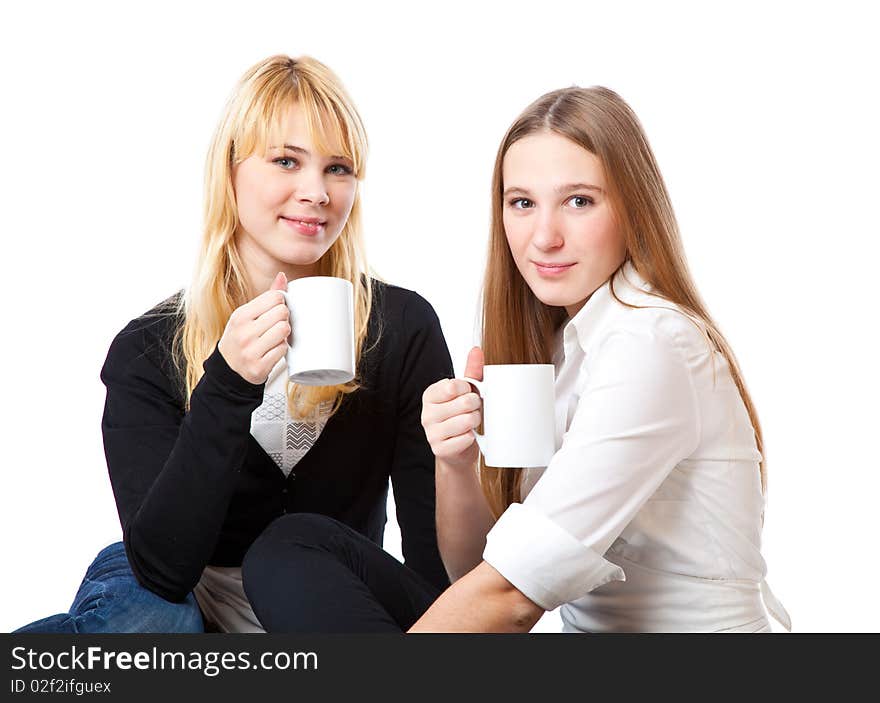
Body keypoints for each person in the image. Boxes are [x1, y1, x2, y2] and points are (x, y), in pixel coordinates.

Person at [241, 86, 791, 633]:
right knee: (292, 548)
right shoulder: (563, 346)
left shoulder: (653, 343)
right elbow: (478, 572)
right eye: (523, 203)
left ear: (634, 207)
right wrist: (456, 464)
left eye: (579, 201)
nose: (544, 237)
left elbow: (511, 600)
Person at [14, 54, 451, 634]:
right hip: (174, 590)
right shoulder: (147, 349)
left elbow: (433, 577)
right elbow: (163, 567)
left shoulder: (401, 327)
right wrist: (227, 381)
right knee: (151, 625)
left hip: (314, 594)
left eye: (338, 169)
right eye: (285, 161)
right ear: (231, 171)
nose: (316, 192)